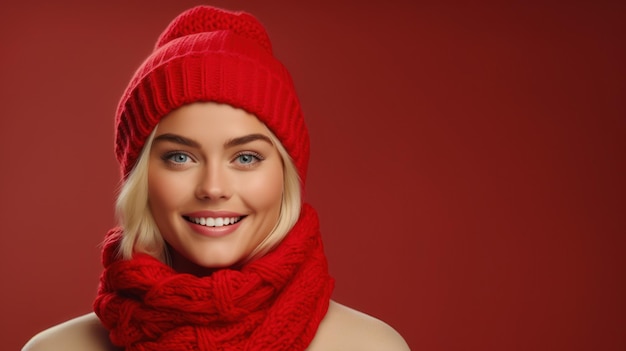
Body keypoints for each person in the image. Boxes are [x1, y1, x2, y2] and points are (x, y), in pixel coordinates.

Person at [22, 5, 410, 351]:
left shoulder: (369, 346)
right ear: (141, 179)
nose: (213, 188)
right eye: (180, 156)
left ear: (286, 175)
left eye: (245, 157)